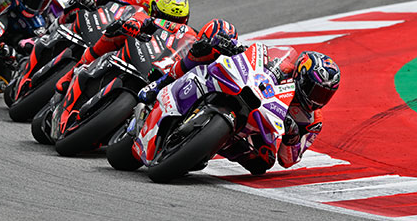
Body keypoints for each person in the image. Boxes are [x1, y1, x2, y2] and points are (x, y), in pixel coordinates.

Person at [139, 42, 341, 175]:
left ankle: (217, 143)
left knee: (264, 162)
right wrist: (239, 51)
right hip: (248, 94)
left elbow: (288, 160)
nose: (318, 99)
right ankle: (162, 84)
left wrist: (293, 135)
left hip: (259, 126)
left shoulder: (313, 121)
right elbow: (258, 59)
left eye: (325, 95)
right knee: (211, 50)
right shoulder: (286, 68)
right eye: (315, 90)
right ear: (302, 76)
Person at [55, 0, 193, 94]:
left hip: (151, 58)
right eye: (165, 17)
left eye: (178, 20)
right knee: (115, 30)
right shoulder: (142, 0)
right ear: (154, 8)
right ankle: (74, 71)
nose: (170, 22)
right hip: (128, 34)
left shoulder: (183, 33)